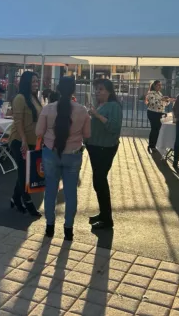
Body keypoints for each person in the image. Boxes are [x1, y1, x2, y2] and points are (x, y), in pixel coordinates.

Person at [37, 77, 90, 241]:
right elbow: (88, 135)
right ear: (73, 90)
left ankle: (50, 227)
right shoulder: (82, 111)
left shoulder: (48, 109)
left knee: (50, 191)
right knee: (70, 194)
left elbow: (39, 132)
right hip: (73, 154)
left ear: (58, 89)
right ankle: (68, 229)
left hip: (51, 153)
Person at [85, 78, 123, 230]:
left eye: (100, 89)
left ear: (109, 91)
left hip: (104, 148)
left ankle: (107, 219)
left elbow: (114, 127)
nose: (97, 92)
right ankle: (103, 213)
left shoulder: (113, 106)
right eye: (96, 89)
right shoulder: (101, 105)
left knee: (100, 181)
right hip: (95, 146)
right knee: (98, 181)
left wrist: (96, 115)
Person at [8, 71, 43, 216]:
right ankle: (28, 202)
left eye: (37, 81)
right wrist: (23, 139)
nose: (36, 84)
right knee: (24, 173)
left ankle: (15, 198)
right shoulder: (20, 98)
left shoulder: (34, 98)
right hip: (19, 141)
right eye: (33, 81)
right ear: (26, 82)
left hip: (33, 141)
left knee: (25, 172)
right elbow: (18, 121)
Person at [145, 80, 171, 153]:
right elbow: (153, 103)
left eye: (160, 85)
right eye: (158, 85)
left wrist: (167, 100)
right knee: (154, 129)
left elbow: (163, 104)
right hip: (153, 113)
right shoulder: (150, 93)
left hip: (159, 113)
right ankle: (151, 145)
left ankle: (154, 144)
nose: (160, 87)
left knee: (158, 129)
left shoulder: (159, 93)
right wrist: (161, 99)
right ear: (154, 86)